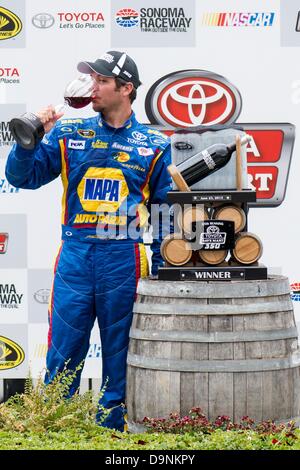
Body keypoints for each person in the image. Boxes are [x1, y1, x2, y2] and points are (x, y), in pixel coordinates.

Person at [5, 50, 172, 432]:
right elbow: (21, 179)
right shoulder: (68, 132)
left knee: (121, 355)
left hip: (124, 256)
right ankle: (56, 429)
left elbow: (166, 214)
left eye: (101, 81)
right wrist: (29, 140)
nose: (91, 87)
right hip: (76, 255)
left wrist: (162, 271)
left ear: (126, 89)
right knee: (62, 352)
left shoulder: (154, 144)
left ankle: (113, 430)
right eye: (90, 79)